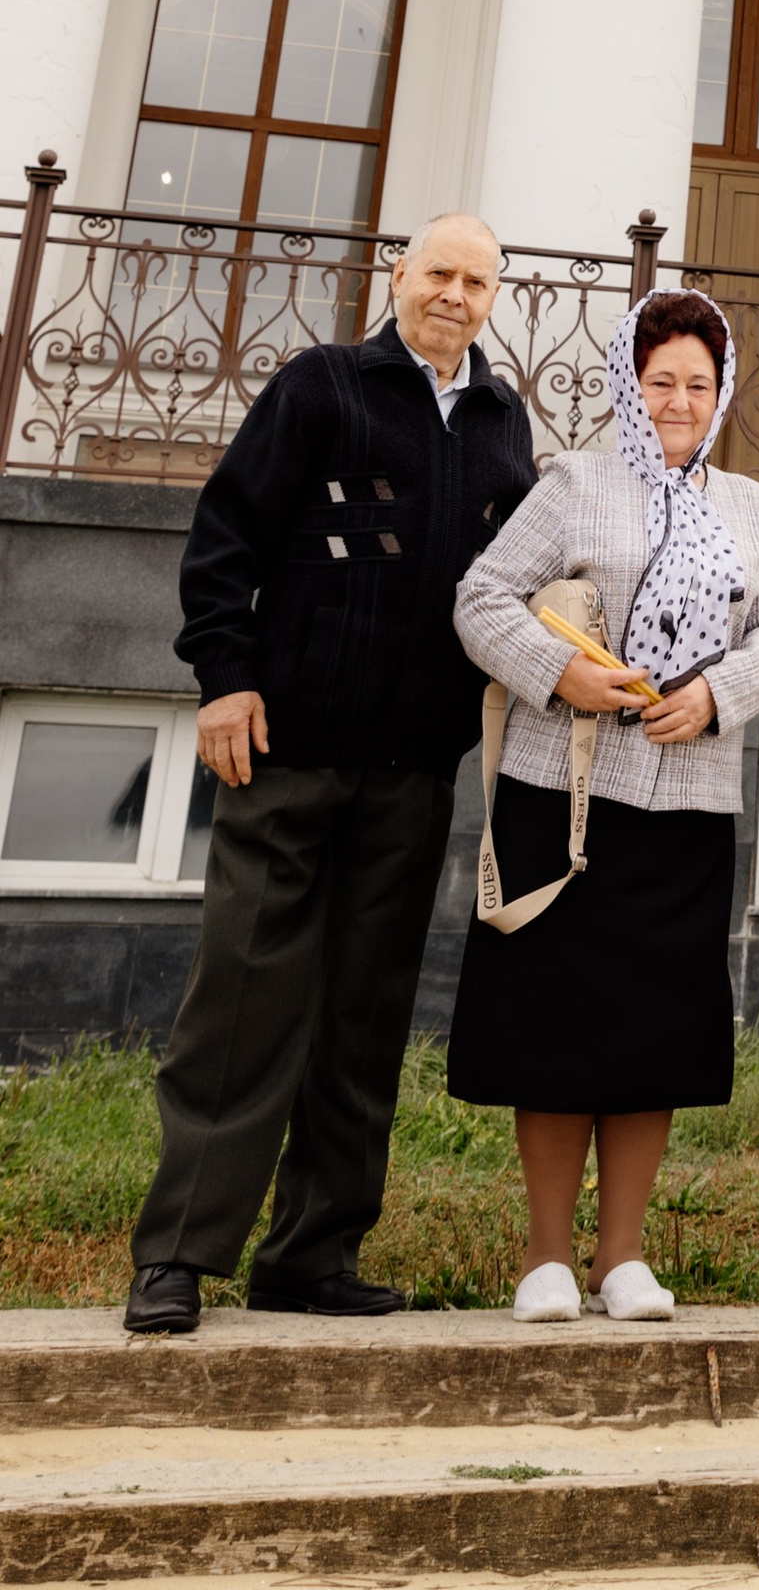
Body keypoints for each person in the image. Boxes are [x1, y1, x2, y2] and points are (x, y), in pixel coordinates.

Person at [124, 214, 538, 1338]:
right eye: (437, 272)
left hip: (413, 773)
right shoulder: (323, 386)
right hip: (287, 751)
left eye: (476, 280)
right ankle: (176, 1254)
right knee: (243, 1006)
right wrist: (224, 676)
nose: (454, 293)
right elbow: (227, 536)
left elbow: (514, 585)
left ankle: (311, 1254)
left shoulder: (505, 424)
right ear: (396, 275)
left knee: (363, 1016)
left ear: (496, 296)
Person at [449, 289, 759, 1319]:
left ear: (721, 391)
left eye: (698, 384)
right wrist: (558, 671)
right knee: (554, 1030)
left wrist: (715, 696)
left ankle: (623, 1258)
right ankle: (547, 1259)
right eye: (661, 384)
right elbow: (481, 598)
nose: (680, 402)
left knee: (655, 1030)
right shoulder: (573, 486)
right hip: (562, 797)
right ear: (628, 388)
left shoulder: (751, 508)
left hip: (689, 801)